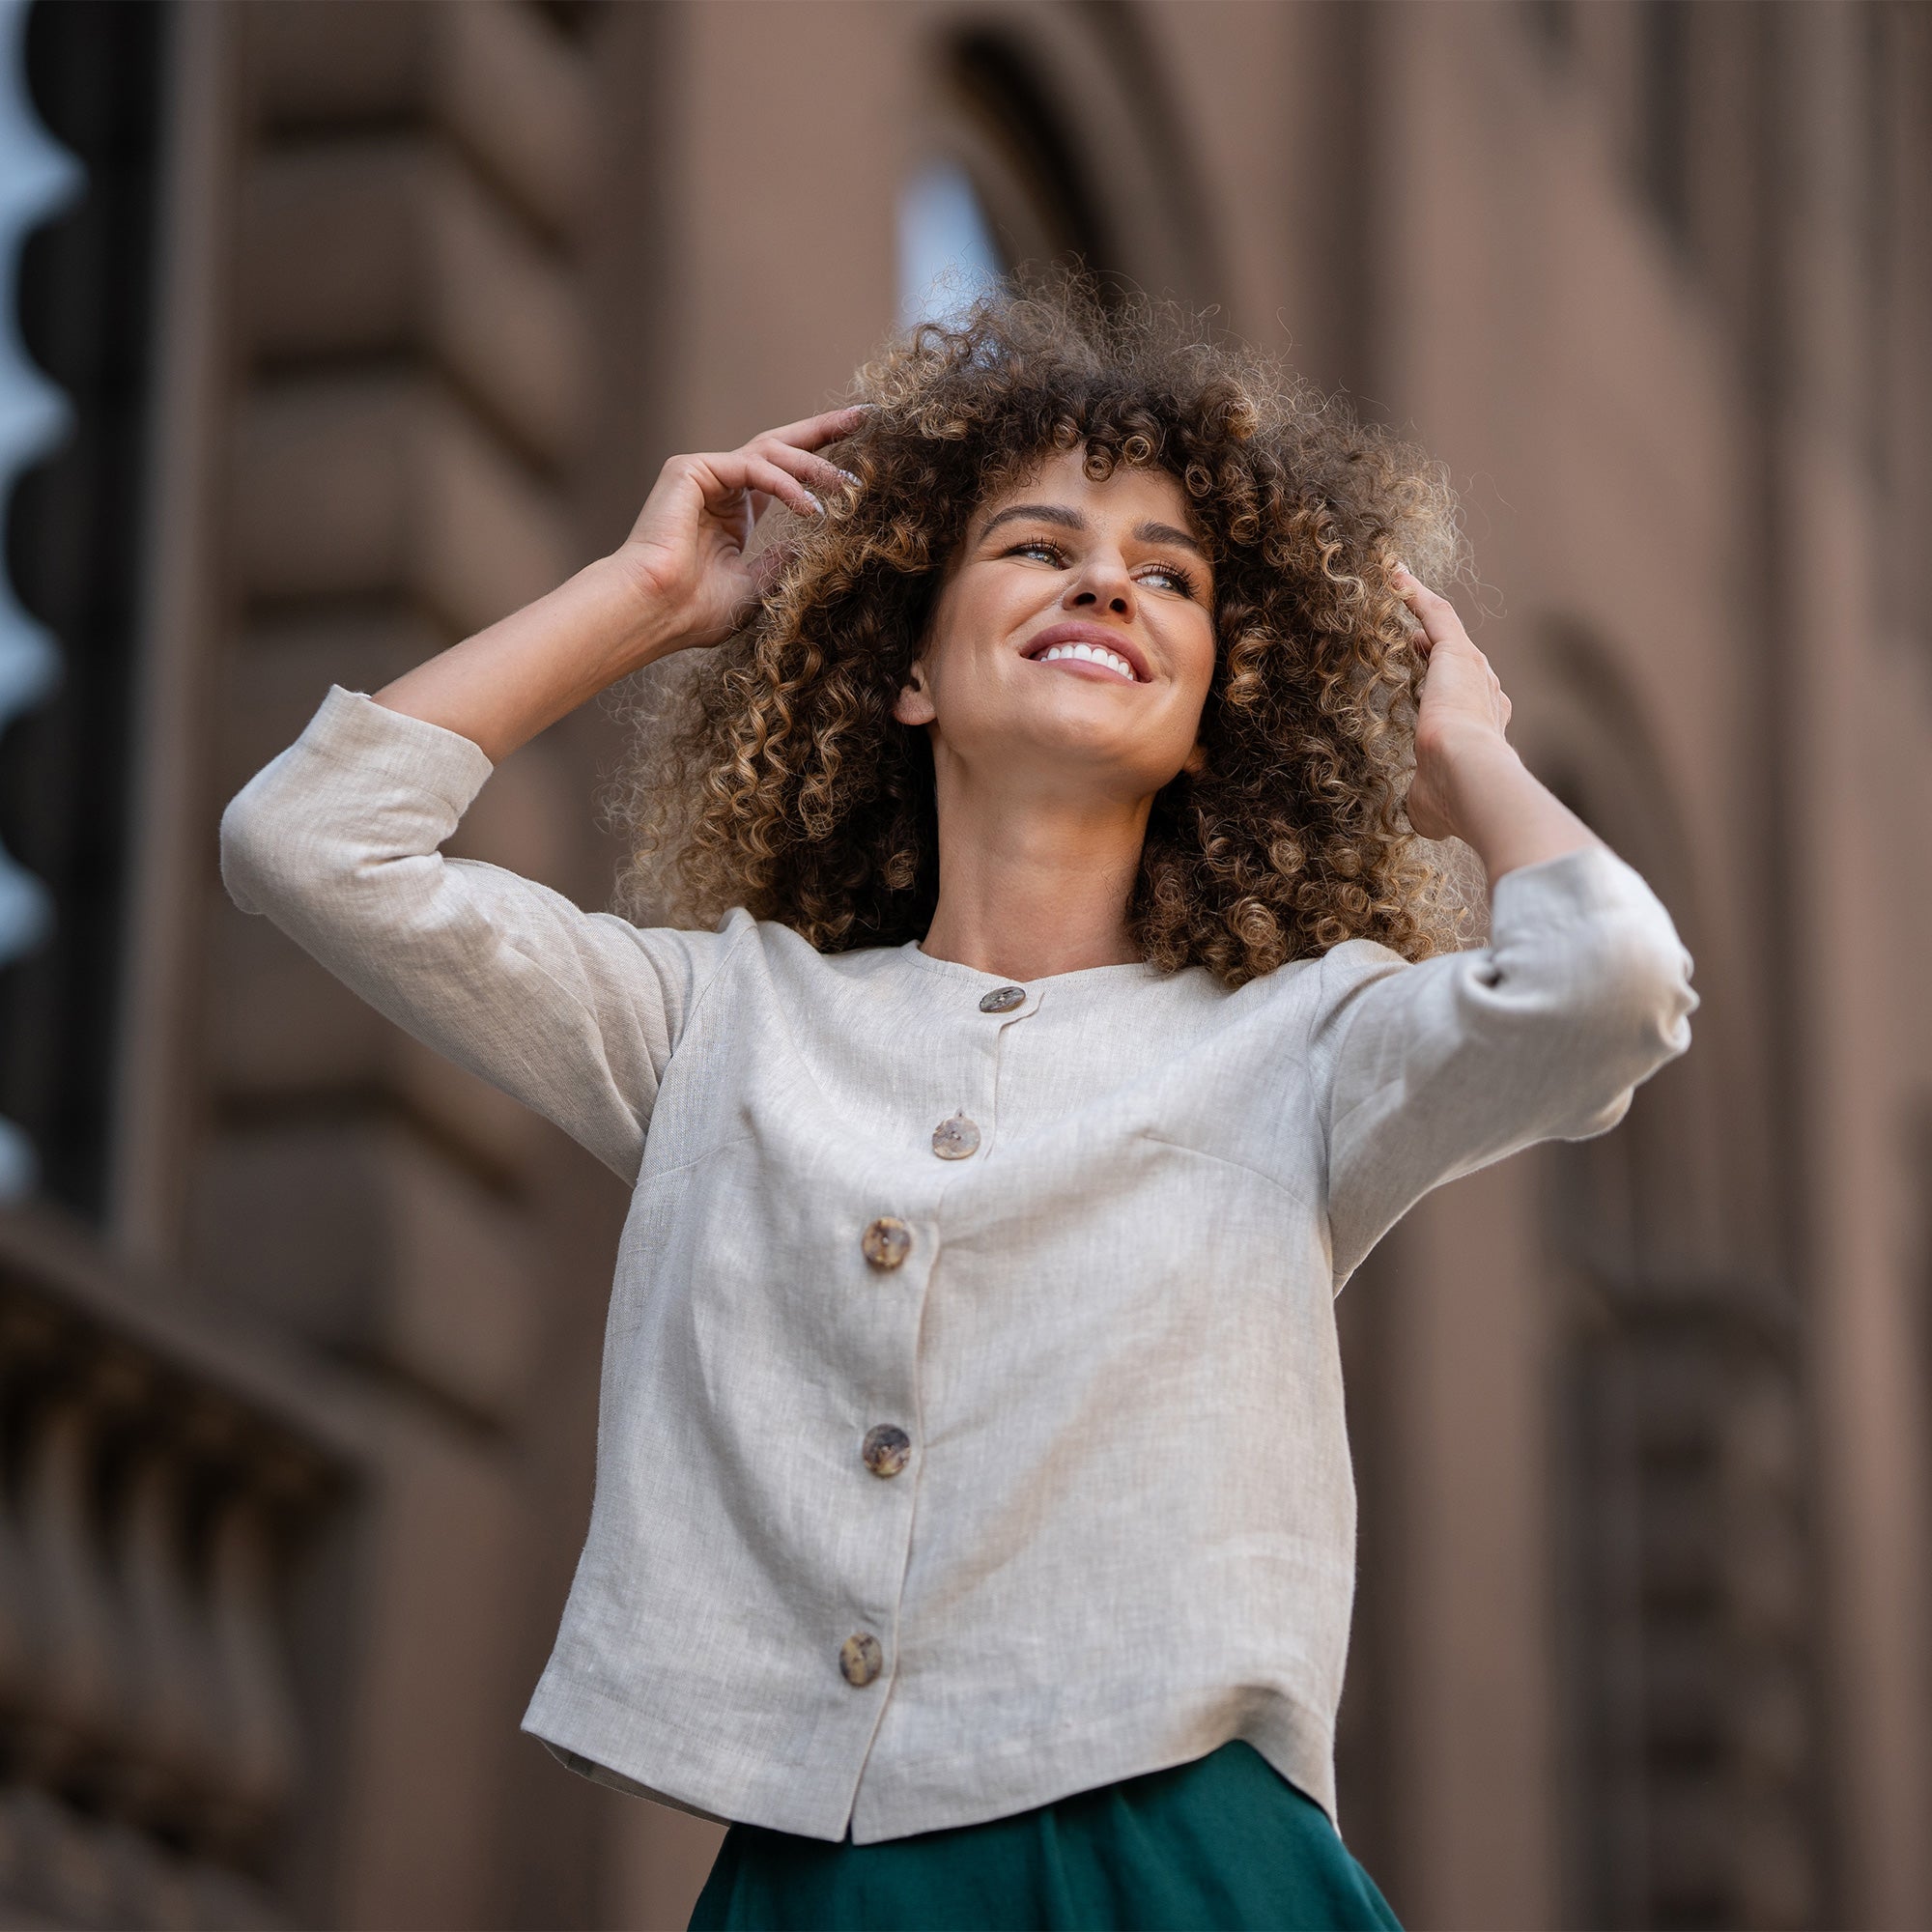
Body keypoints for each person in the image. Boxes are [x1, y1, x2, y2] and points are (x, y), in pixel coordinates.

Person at [219, 280, 1696, 1930]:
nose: (1103, 583)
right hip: (816, 1886)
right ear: (909, 666)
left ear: (1217, 714)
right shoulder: (716, 1024)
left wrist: (1467, 758)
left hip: (1191, 1873)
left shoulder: (1311, 1047)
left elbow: (1611, 987)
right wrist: (643, 597)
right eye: (1036, 545)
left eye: (1170, 575)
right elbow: (310, 845)